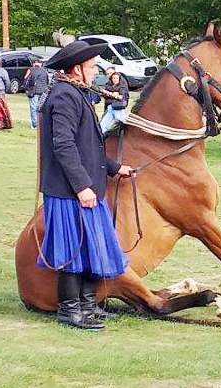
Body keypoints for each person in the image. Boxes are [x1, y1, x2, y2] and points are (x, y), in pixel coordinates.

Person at [38, 40, 134, 330]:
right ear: (77, 69)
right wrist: (82, 187)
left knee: (92, 247)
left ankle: (89, 306)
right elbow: (64, 145)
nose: (96, 72)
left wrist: (115, 168)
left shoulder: (77, 93)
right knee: (72, 250)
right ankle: (70, 311)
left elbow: (88, 146)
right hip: (69, 191)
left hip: (88, 187)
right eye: (92, 67)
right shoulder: (64, 96)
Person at [25, 58, 50, 129]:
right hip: (43, 91)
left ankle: (35, 124)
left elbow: (26, 79)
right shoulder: (45, 71)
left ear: (34, 64)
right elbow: (47, 81)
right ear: (41, 64)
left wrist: (27, 89)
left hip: (34, 91)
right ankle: (41, 123)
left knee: (33, 108)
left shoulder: (31, 70)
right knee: (40, 108)